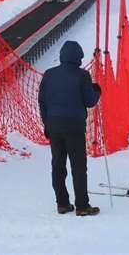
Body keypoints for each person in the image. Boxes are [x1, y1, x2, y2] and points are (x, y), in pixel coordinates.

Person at [38, 40, 101, 216]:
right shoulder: (82, 75)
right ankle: (82, 205)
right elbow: (90, 101)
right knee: (78, 166)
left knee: (58, 165)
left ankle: (62, 203)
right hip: (74, 126)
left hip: (54, 124)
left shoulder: (49, 74)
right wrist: (97, 90)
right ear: (78, 57)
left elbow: (42, 101)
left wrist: (47, 123)